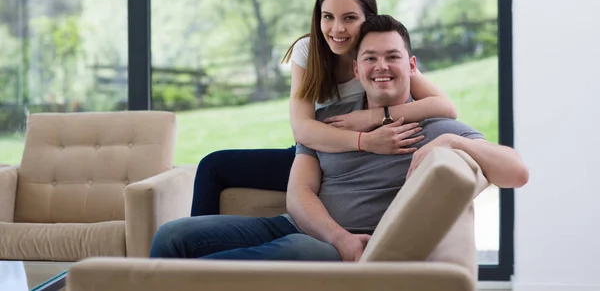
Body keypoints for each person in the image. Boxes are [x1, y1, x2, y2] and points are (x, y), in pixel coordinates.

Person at [150, 15, 529, 261]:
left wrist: (457, 144)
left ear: (411, 66)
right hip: (297, 227)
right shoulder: (331, 121)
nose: (381, 67)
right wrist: (335, 234)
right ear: (356, 67)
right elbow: (300, 192)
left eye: (393, 57)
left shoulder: (434, 127)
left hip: (321, 248)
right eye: (370, 58)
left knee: (211, 269)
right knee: (172, 236)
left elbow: (517, 173)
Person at [191, 0, 457, 216]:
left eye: (349, 18)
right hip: (320, 154)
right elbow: (302, 130)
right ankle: (193, 262)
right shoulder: (308, 52)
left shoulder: (379, 56)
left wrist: (374, 116)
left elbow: (445, 107)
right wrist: (364, 139)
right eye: (327, 17)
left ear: (369, 19)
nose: (336, 29)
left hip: (361, 160)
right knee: (213, 166)